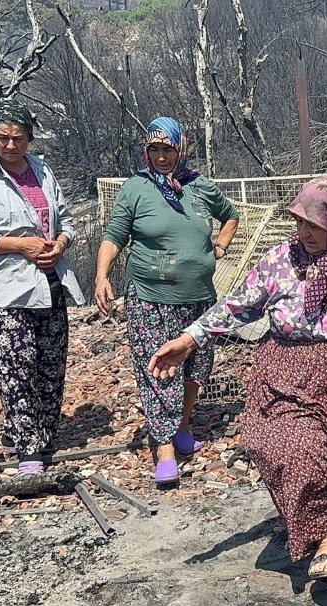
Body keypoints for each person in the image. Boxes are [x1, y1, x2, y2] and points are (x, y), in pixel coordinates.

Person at [148, 175, 327, 590]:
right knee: (289, 445)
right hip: (288, 374)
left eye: (314, 225)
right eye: (299, 222)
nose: (303, 233)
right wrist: (190, 338)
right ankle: (326, 538)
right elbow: (237, 305)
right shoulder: (281, 259)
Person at [95, 117, 240, 485]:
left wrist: (220, 245)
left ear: (181, 148)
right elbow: (114, 236)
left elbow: (231, 216)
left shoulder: (200, 186)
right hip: (151, 299)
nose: (161, 156)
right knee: (159, 370)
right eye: (154, 149)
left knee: (197, 369)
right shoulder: (136, 188)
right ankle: (163, 447)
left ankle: (183, 425)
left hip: (199, 300)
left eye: (168, 149)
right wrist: (102, 275)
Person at [0, 98, 85, 476]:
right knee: (15, 366)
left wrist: (59, 244)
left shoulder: (43, 171)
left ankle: (41, 433)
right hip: (2, 290)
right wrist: (18, 244)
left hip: (49, 282)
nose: (11, 146)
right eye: (3, 137)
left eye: (19, 138)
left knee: (50, 363)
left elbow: (67, 221)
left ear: (30, 138)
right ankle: (29, 450)